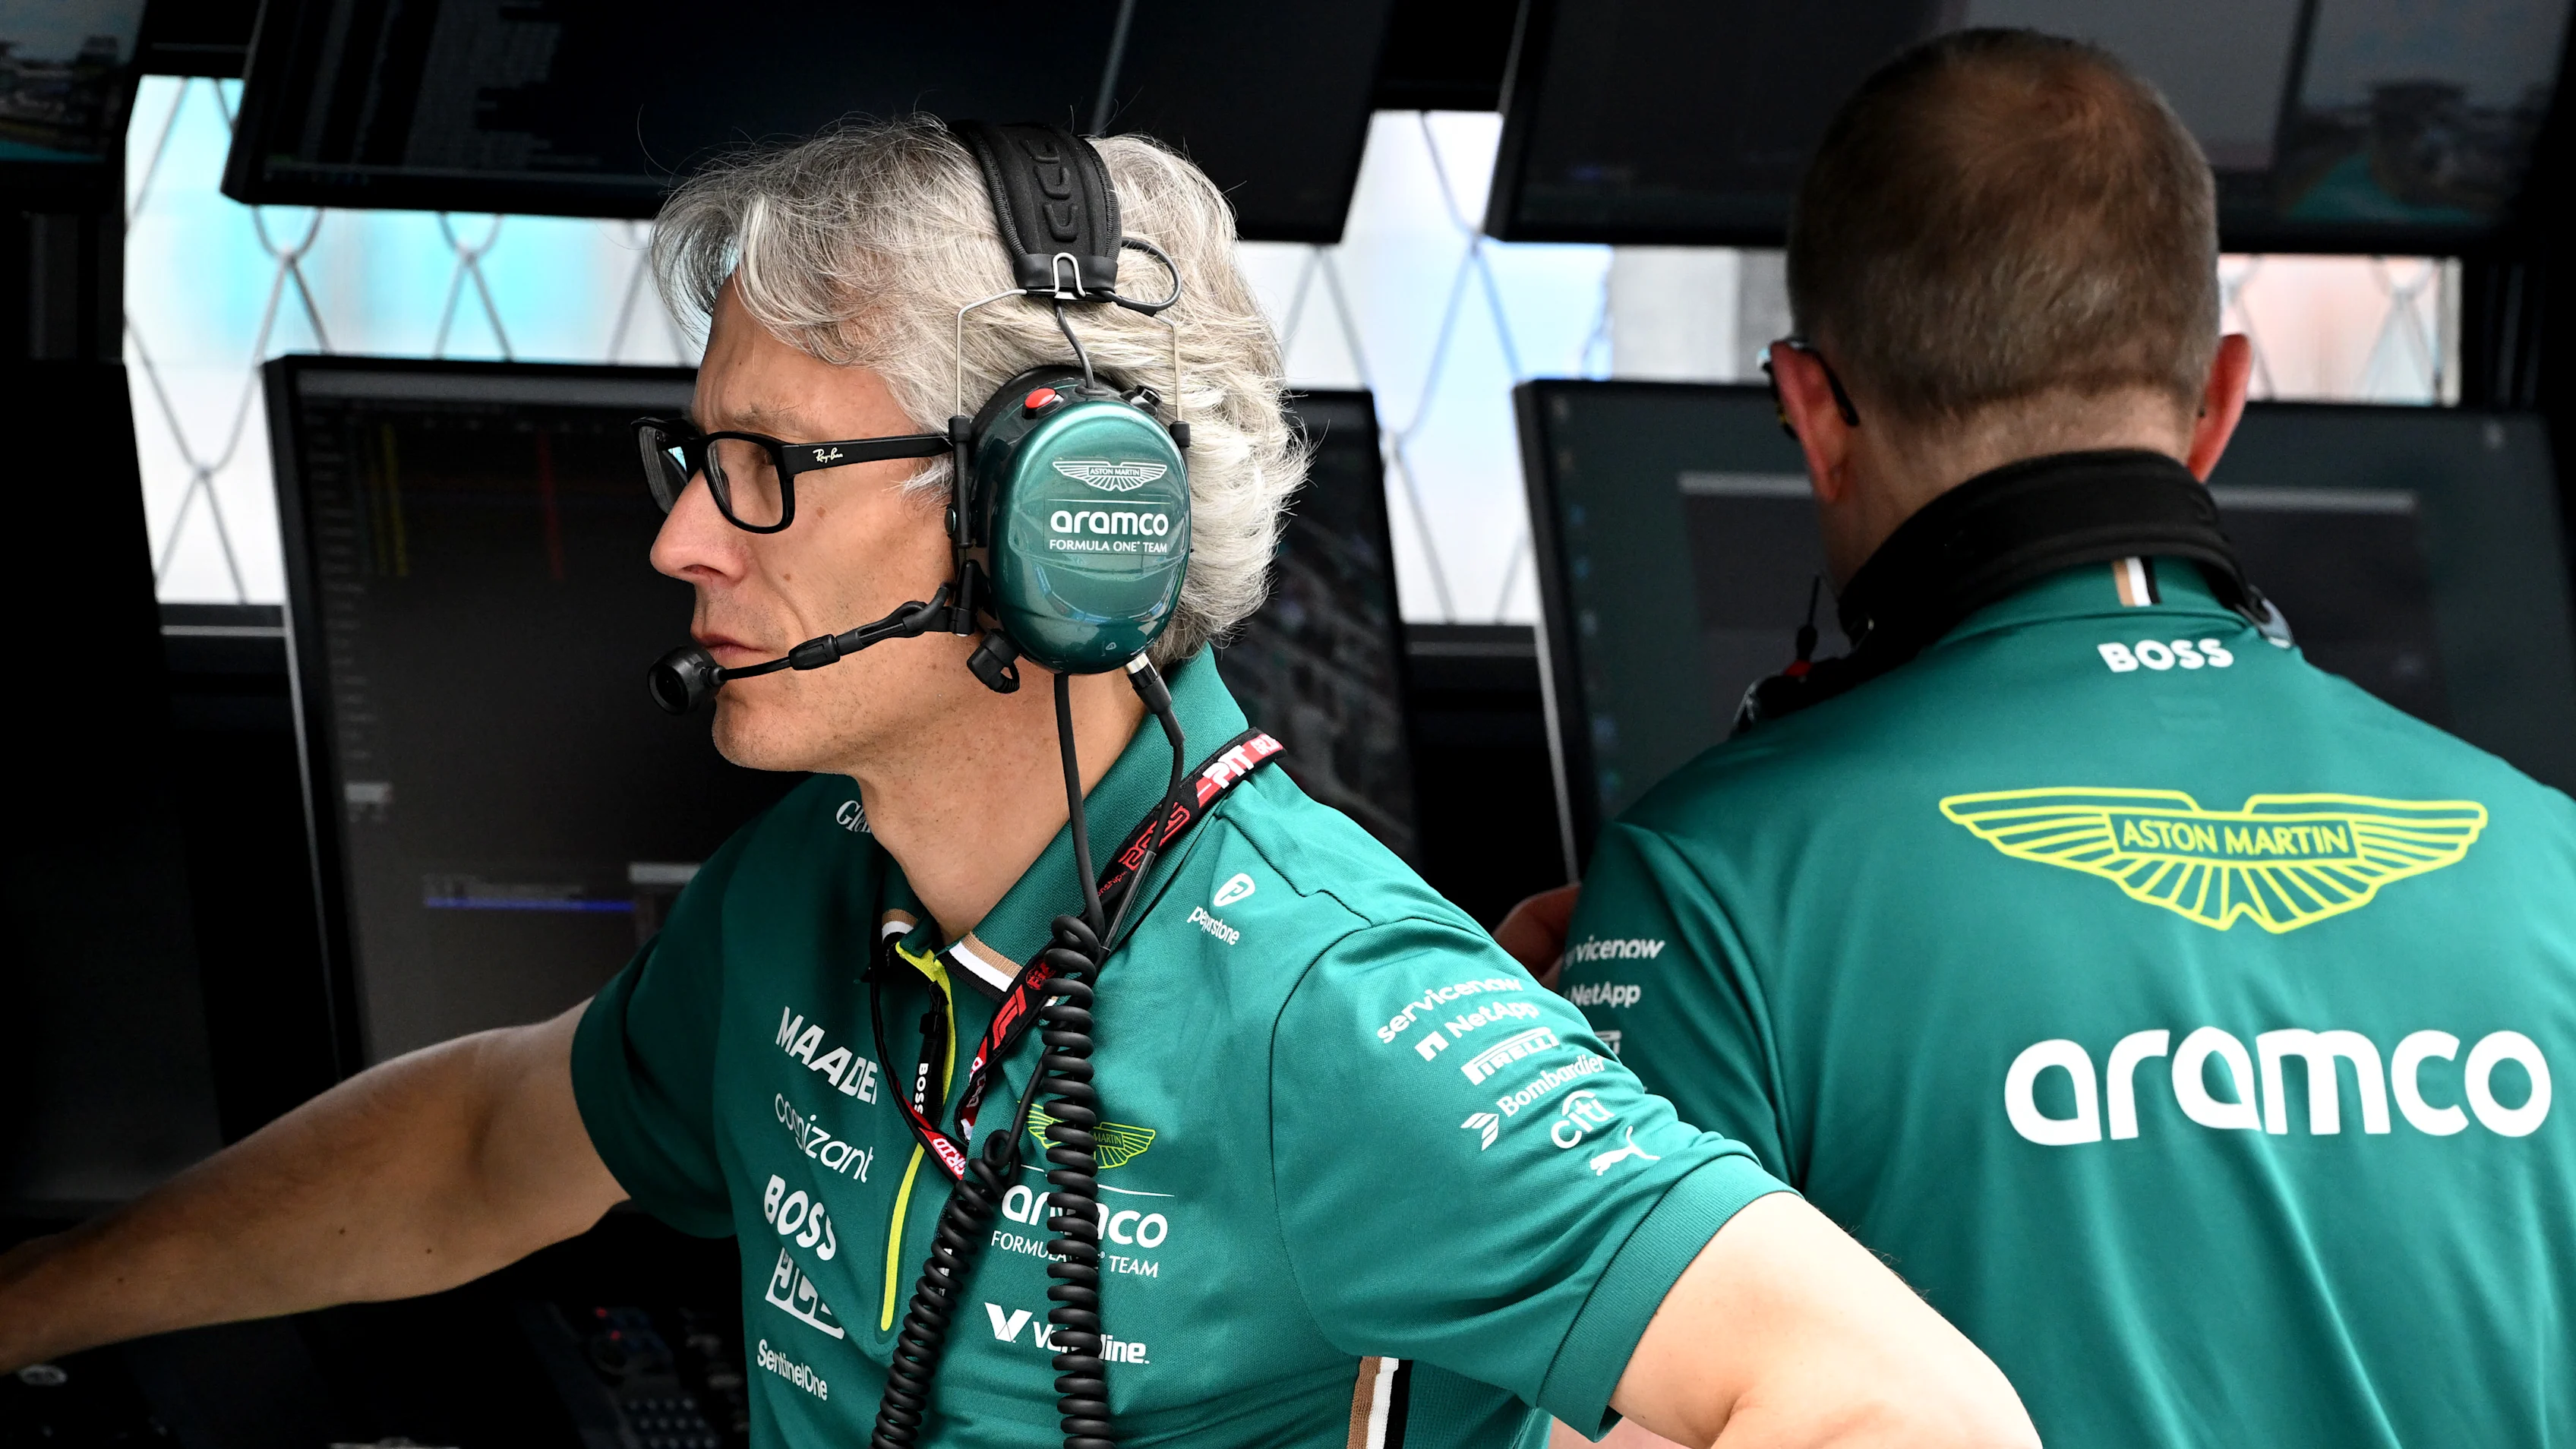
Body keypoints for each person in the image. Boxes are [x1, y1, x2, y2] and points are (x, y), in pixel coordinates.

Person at [0, 118, 2034, 1449]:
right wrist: (33, 1302)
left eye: (769, 468)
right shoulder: (820, 885)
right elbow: (490, 1143)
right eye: (694, 459)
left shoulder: (1327, 1008)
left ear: (1069, 521)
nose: (686, 539)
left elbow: (1907, 1410)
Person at [1504, 29, 2576, 1449]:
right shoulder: (2552, 863)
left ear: (1811, 412)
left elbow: (1546, 1418)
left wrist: (1489, 1097)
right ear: (2222, 403)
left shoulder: (1708, 893)